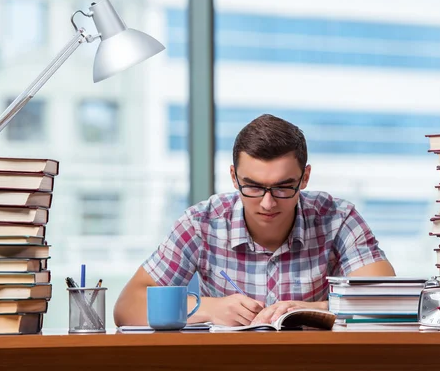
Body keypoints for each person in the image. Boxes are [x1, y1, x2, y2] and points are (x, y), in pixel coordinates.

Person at [114, 114, 395, 327]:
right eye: (253, 187)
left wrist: (314, 310)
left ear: (305, 177)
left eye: (284, 187)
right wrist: (210, 309)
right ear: (234, 177)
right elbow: (127, 307)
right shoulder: (201, 223)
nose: (267, 203)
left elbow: (386, 302)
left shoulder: (337, 218)